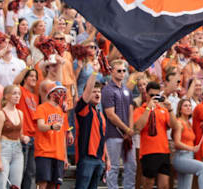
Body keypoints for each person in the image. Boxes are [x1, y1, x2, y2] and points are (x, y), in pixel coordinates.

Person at [133, 81, 177, 189]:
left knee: (165, 185)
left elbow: (174, 125)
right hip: (148, 152)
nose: (154, 98)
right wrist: (148, 108)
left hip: (164, 151)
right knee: (148, 183)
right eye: (151, 95)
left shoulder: (163, 109)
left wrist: (170, 109)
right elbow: (138, 127)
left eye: (156, 95)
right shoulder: (140, 110)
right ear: (146, 95)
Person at [101, 59, 135, 189]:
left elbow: (131, 110)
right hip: (113, 134)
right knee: (113, 166)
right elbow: (110, 114)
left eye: (124, 71)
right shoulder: (107, 90)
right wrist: (127, 129)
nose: (122, 73)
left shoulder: (127, 90)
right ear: (112, 71)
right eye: (119, 70)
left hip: (126, 135)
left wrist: (130, 130)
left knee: (131, 165)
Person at [74, 65, 110, 189]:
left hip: (99, 159)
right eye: (94, 91)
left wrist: (107, 159)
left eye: (99, 91)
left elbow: (103, 138)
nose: (97, 93)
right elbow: (87, 91)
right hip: (86, 158)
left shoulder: (100, 114)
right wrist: (95, 72)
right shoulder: (83, 109)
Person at [34, 82, 74, 189]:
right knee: (42, 184)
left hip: (59, 154)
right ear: (51, 94)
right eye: (59, 92)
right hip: (44, 152)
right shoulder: (42, 108)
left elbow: (63, 136)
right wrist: (51, 127)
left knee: (54, 185)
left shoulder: (62, 112)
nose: (62, 95)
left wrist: (65, 157)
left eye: (63, 92)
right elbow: (40, 126)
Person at [172, 98, 203, 189]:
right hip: (181, 157)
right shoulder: (179, 122)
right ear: (180, 109)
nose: (188, 107)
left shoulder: (189, 123)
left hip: (189, 156)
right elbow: (176, 143)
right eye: (185, 106)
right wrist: (192, 148)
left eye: (189, 105)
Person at [0, 85, 25, 189]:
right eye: (14, 93)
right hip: (4, 148)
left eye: (19, 94)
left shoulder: (20, 113)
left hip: (17, 149)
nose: (17, 96)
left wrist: (24, 137)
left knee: (16, 184)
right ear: (6, 96)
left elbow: (21, 134)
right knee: (1, 183)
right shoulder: (1, 114)